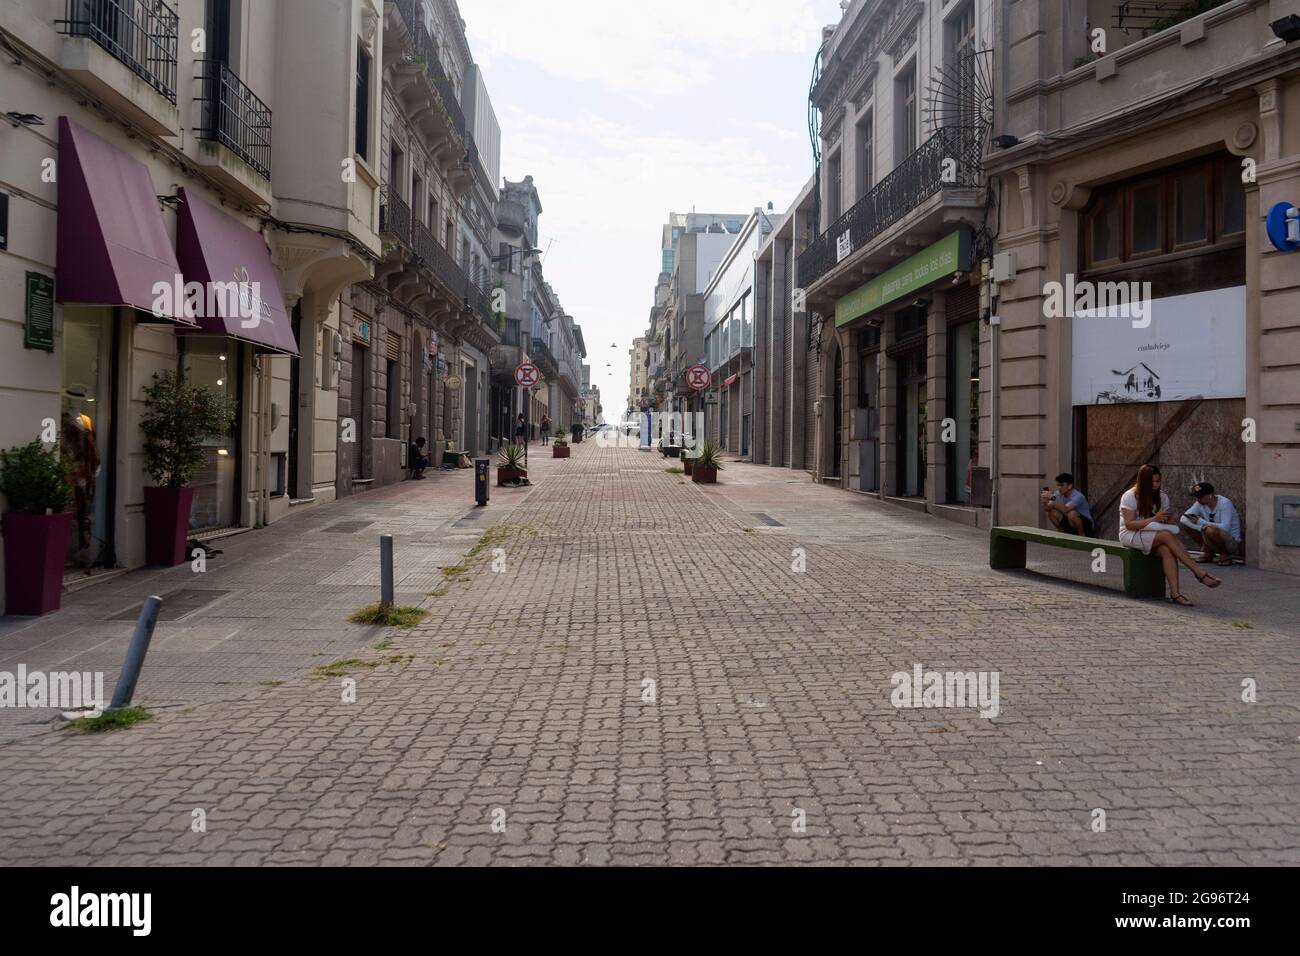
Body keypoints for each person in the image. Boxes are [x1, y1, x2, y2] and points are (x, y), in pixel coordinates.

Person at [1119, 464, 1221, 606]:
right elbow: (1129, 524)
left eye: (1158, 481)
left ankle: (1176, 594)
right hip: (1131, 534)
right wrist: (1154, 519)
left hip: (1154, 534)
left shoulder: (1162, 497)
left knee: (1167, 551)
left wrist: (1167, 519)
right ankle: (1199, 573)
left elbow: (1165, 523)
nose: (1155, 485)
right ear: (1143, 481)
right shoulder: (1130, 496)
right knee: (1166, 536)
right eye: (1152, 482)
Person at [1180, 481, 1241, 567]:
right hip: (1211, 538)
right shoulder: (1199, 504)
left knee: (1210, 530)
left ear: (1210, 495)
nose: (1198, 499)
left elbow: (1225, 527)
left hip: (1231, 542)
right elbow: (1183, 518)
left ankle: (1225, 555)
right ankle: (1208, 551)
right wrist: (1201, 528)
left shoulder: (1225, 503)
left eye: (1201, 497)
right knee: (1188, 525)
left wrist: (1202, 522)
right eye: (1197, 497)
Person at [1040, 472, 1094, 536]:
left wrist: (1052, 498)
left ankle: (1082, 536)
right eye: (1058, 485)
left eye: (1062, 485)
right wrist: (1045, 502)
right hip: (1070, 523)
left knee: (1072, 513)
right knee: (1051, 512)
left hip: (1086, 525)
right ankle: (1062, 533)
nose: (1059, 487)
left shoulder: (1078, 496)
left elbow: (1066, 509)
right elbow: (1047, 509)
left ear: (1069, 486)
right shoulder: (1057, 494)